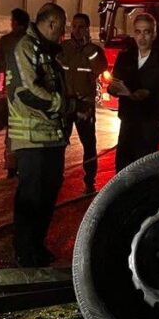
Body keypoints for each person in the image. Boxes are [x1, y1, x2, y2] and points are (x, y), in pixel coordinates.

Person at [6, 3, 90, 267]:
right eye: (62, 27)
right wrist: (68, 106)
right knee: (31, 196)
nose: (63, 33)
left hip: (52, 137)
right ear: (52, 23)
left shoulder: (47, 51)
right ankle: (24, 252)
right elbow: (27, 91)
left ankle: (37, 246)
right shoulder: (25, 48)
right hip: (32, 139)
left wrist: (72, 104)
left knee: (48, 194)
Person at [108, 12, 159, 172]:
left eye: (146, 32)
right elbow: (115, 82)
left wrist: (150, 94)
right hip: (127, 124)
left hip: (150, 125)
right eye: (138, 32)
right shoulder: (125, 57)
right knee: (123, 171)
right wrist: (113, 89)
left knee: (144, 172)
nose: (142, 37)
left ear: (154, 34)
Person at [58, 12, 107, 194]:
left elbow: (100, 67)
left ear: (87, 29)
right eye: (74, 26)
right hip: (65, 104)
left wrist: (88, 49)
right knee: (59, 143)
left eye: (81, 27)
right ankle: (57, 177)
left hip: (84, 105)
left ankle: (90, 179)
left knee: (88, 143)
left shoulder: (94, 50)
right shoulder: (64, 47)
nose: (77, 30)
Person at [0, 8, 31, 178]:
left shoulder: (6, 42)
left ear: (15, 22)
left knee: (13, 132)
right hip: (30, 96)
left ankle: (12, 167)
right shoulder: (34, 42)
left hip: (12, 95)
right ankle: (25, 165)